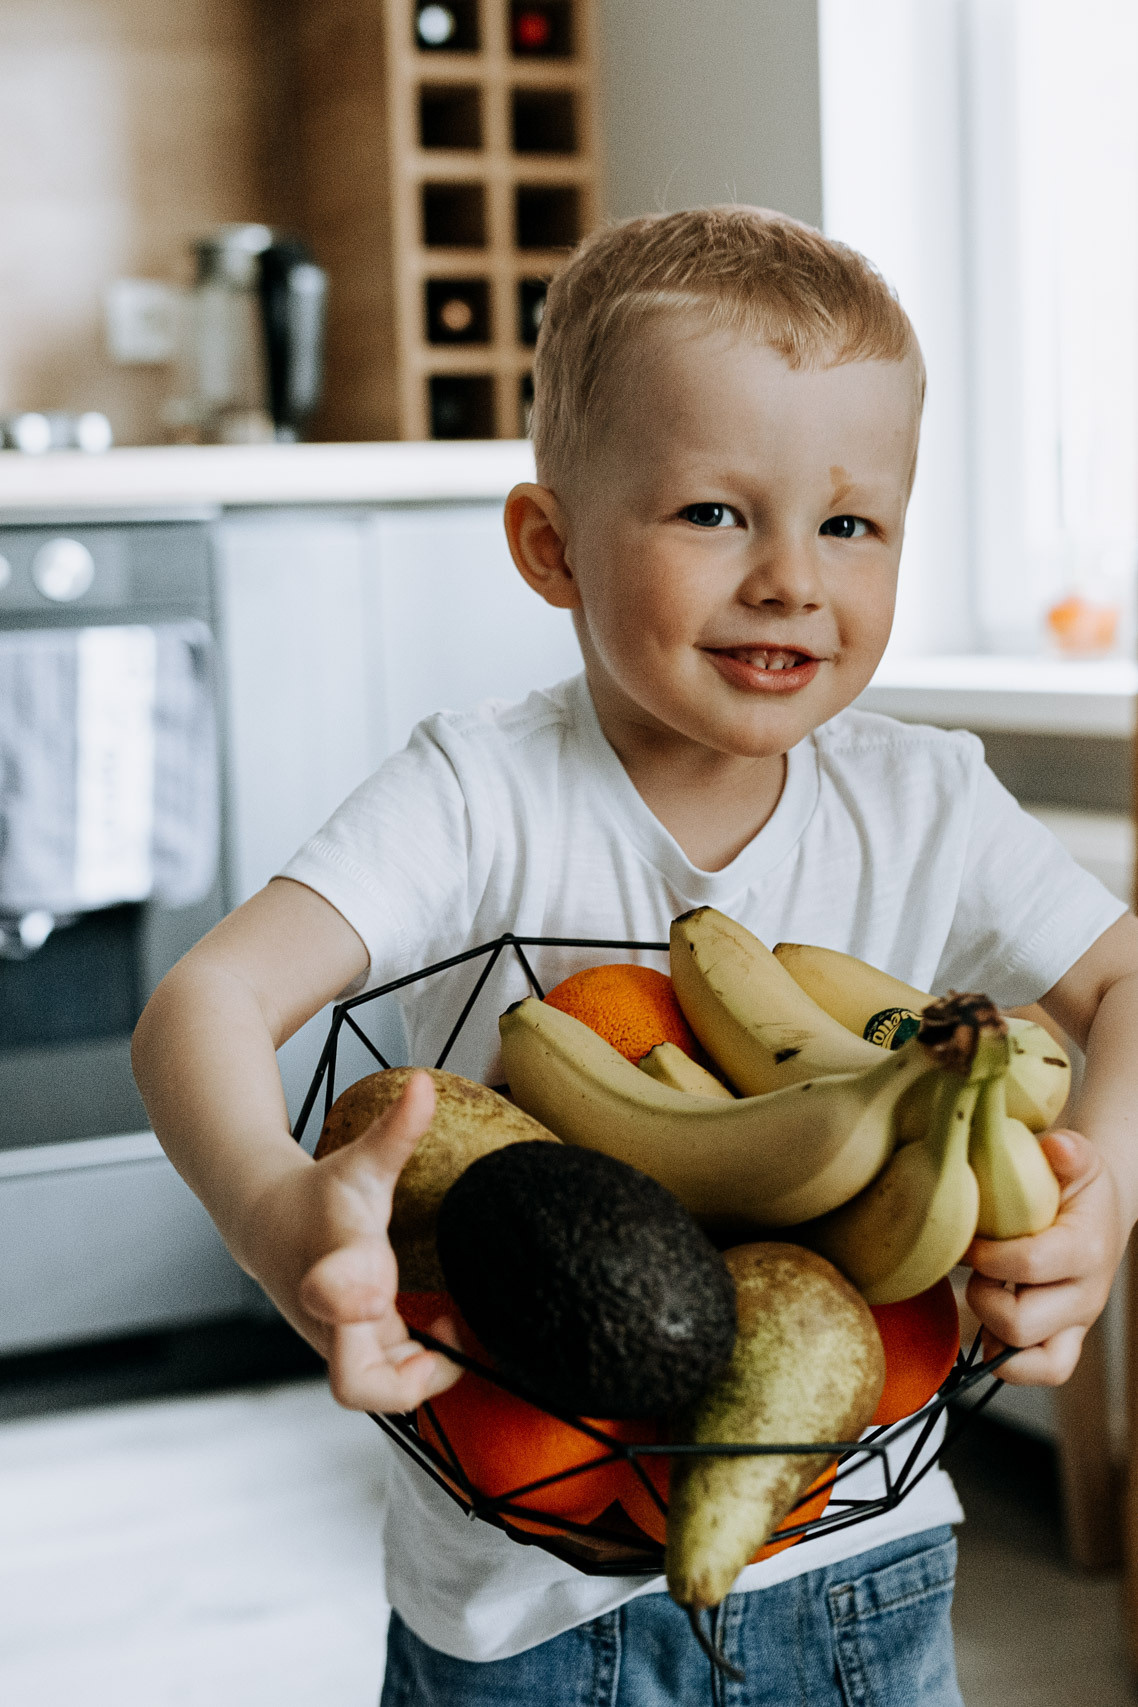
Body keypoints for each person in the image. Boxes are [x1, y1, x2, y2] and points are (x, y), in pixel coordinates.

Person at [132, 207, 1138, 1704]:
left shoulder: (924, 796)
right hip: (524, 1608)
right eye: (714, 515)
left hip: (858, 1576)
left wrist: (1101, 1191)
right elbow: (202, 1003)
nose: (792, 577)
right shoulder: (472, 794)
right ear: (550, 547)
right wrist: (282, 1222)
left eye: (848, 524)